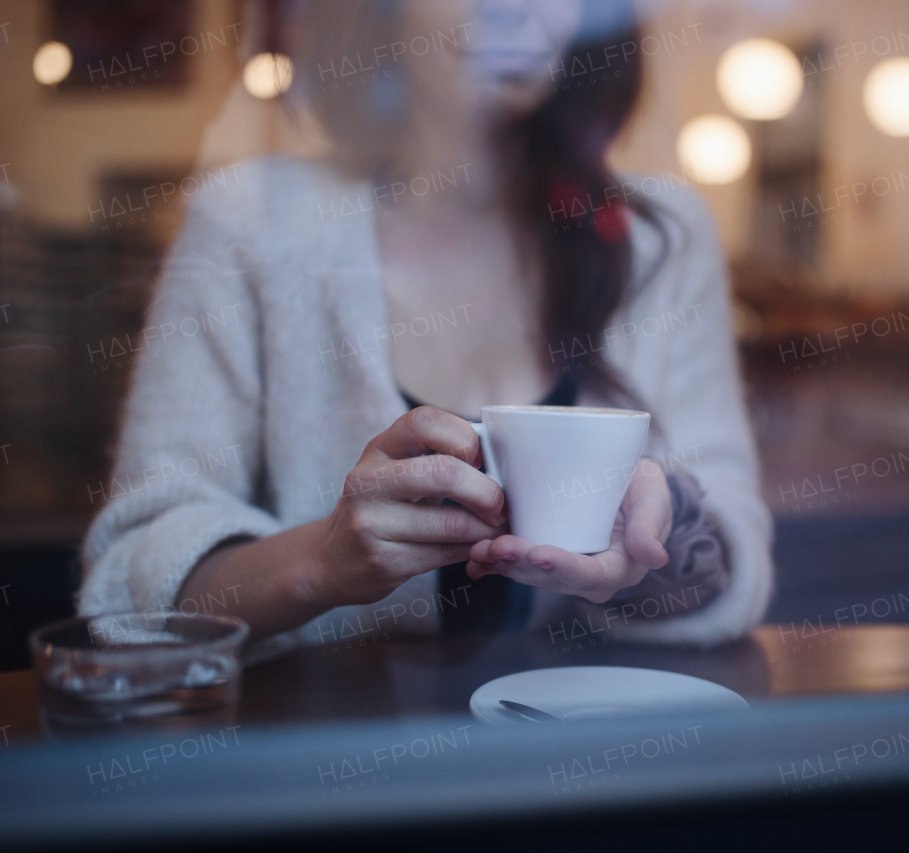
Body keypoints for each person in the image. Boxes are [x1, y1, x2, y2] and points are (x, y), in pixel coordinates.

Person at [80, 0, 773, 657]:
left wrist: (663, 542)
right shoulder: (249, 226)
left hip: (591, 757)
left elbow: (735, 546)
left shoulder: (662, 237)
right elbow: (131, 581)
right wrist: (319, 563)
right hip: (325, 765)